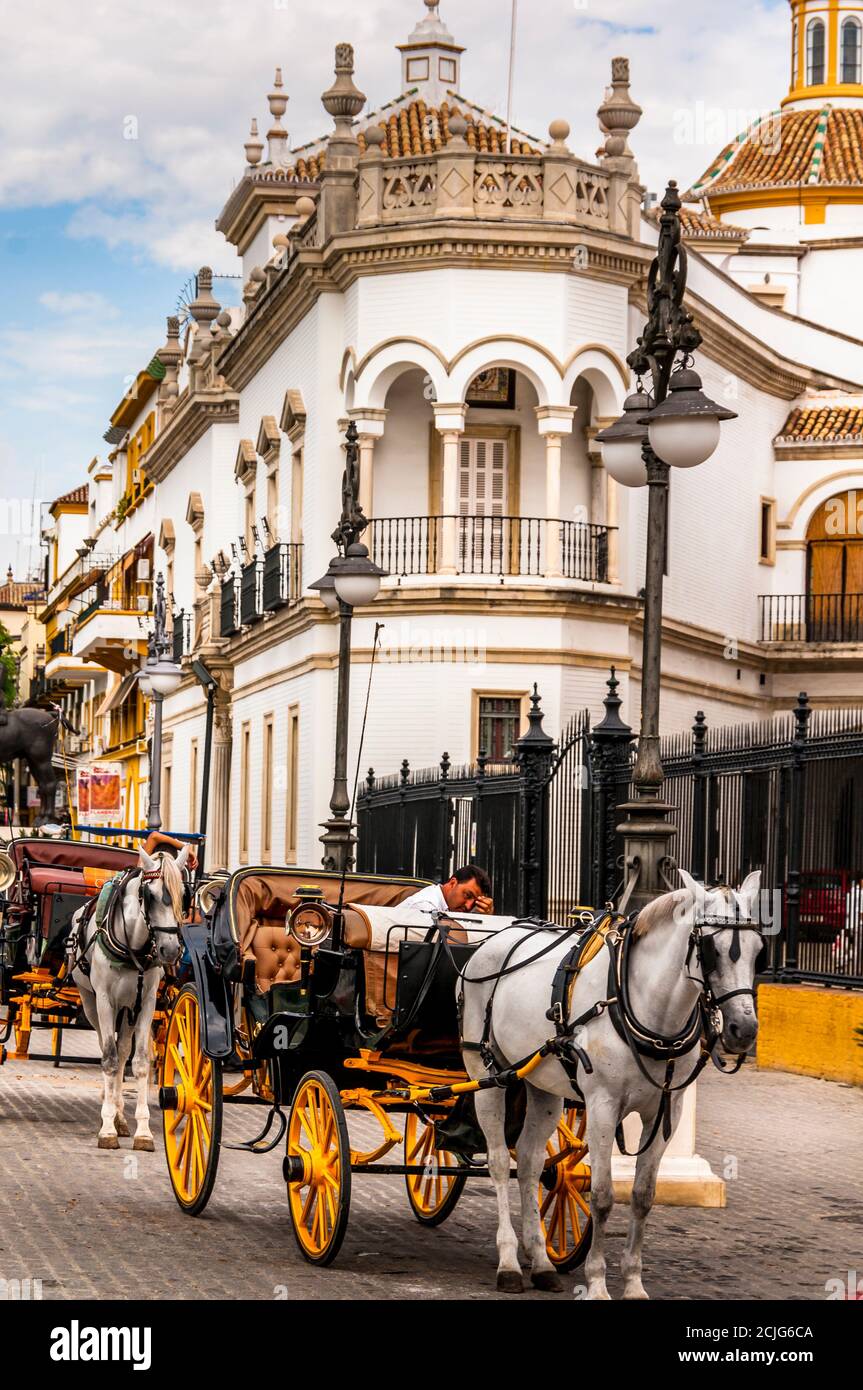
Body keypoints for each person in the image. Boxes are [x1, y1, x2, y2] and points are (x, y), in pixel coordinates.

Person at [401, 863, 493, 916]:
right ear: (453, 883)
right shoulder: (425, 906)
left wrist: (485, 918)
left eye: (475, 902)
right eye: (467, 895)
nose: (469, 906)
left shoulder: (446, 906)